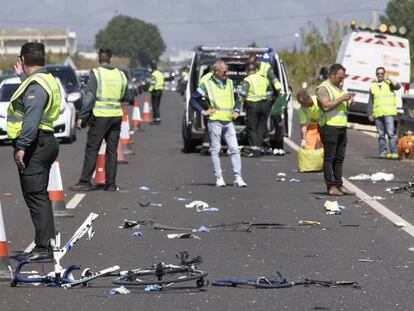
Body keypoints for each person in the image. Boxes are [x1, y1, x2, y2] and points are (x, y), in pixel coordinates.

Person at [7, 42, 61, 261]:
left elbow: (31, 117)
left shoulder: (37, 84)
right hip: (44, 141)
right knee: (38, 195)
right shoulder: (43, 79)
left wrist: (21, 147)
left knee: (36, 196)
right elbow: (31, 99)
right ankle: (46, 242)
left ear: (23, 59)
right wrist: (22, 77)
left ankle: (44, 247)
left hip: (35, 144)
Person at [69, 48, 131, 192]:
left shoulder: (97, 73)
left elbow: (89, 97)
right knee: (112, 150)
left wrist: (82, 117)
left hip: (101, 116)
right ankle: (111, 184)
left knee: (92, 148)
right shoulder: (120, 74)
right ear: (110, 58)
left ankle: (85, 181)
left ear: (99, 58)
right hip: (116, 116)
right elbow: (127, 96)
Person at [189, 59, 247, 187]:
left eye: (227, 71)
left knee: (235, 149)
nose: (226, 74)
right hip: (215, 122)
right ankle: (219, 177)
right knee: (216, 150)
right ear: (216, 72)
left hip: (228, 122)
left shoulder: (230, 83)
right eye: (224, 72)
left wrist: (236, 110)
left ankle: (238, 177)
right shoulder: (207, 85)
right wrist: (203, 111)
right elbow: (193, 100)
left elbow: (237, 99)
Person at [317, 63, 355, 196]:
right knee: (329, 158)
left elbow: (340, 105)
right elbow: (326, 106)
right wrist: (342, 98)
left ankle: (339, 185)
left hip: (341, 127)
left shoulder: (339, 88)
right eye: (339, 77)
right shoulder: (323, 88)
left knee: (340, 158)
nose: (341, 80)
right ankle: (330, 186)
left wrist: (348, 101)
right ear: (331, 75)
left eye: (343, 77)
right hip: (329, 127)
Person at [247, 53, 284, 155]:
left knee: (262, 124)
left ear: (257, 61)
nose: (251, 66)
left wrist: (279, 89)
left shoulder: (265, 67)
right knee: (259, 124)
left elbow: (274, 79)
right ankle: (260, 145)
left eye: (253, 64)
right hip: (255, 100)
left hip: (266, 99)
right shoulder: (253, 68)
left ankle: (265, 144)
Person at [368, 67, 401, 159]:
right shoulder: (373, 86)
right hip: (378, 113)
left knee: (390, 133)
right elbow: (370, 101)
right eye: (378, 73)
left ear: (384, 74)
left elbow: (398, 87)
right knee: (381, 134)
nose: (380, 75)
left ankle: (394, 152)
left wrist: (389, 78)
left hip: (388, 113)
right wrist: (369, 113)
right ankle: (383, 152)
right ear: (376, 74)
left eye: (382, 73)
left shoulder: (389, 83)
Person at [240, 62, 272, 157]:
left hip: (252, 106)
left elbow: (243, 93)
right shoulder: (264, 79)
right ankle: (259, 148)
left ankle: (255, 149)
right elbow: (270, 92)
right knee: (261, 127)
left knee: (252, 128)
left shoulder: (247, 79)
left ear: (247, 71)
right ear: (256, 70)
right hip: (264, 105)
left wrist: (241, 101)